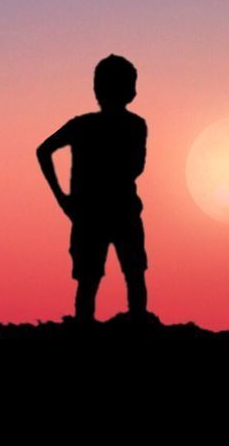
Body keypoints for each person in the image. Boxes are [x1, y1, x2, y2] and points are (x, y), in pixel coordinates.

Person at [36, 54, 149, 322]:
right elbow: (136, 167)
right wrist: (62, 198)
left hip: (101, 213)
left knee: (98, 280)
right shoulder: (132, 126)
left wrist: (63, 198)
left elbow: (44, 151)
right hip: (111, 212)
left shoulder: (86, 126)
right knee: (120, 277)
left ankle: (99, 332)